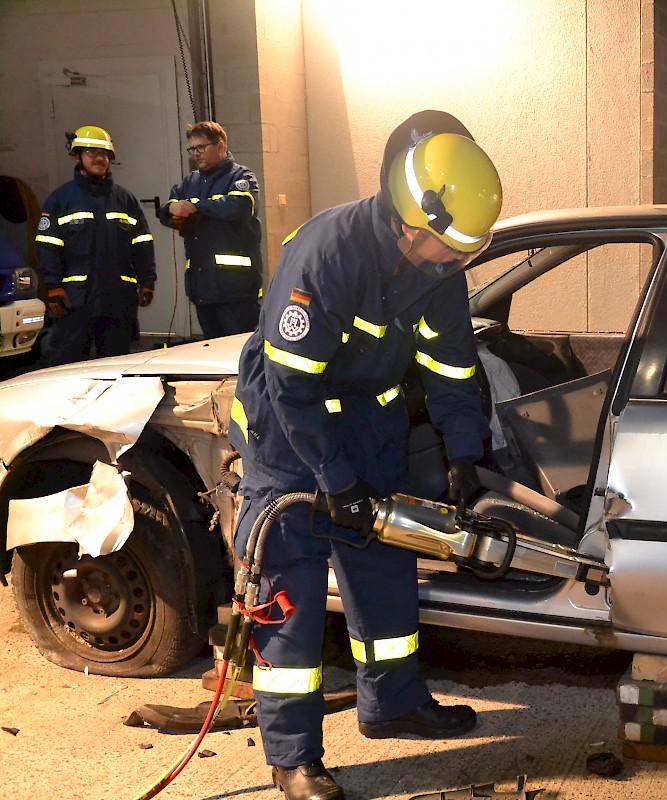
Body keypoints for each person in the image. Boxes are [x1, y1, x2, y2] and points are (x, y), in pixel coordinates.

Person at [227, 110, 501, 800]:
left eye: (465, 252)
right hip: (291, 440)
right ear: (409, 218)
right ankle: (292, 757)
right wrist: (334, 480)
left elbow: (453, 369)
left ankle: (394, 706)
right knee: (288, 601)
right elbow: (292, 392)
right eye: (448, 248)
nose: (456, 264)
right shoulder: (328, 254)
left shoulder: (438, 266)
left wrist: (466, 455)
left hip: (370, 428)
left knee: (384, 574)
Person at [34, 126, 155, 365]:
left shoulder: (125, 199)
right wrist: (53, 287)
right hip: (75, 302)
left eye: (104, 154)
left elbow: (142, 243)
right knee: (70, 365)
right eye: (92, 152)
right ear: (78, 156)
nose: (99, 158)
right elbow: (47, 246)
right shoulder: (61, 200)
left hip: (117, 299)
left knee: (116, 365)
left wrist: (148, 281)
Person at [159, 121, 262, 338]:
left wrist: (196, 207)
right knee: (211, 353)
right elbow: (166, 211)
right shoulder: (189, 183)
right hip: (202, 287)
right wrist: (171, 208)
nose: (196, 154)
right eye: (192, 149)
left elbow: (239, 207)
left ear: (221, 145)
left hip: (236, 288)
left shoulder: (241, 176)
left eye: (201, 147)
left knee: (239, 353)